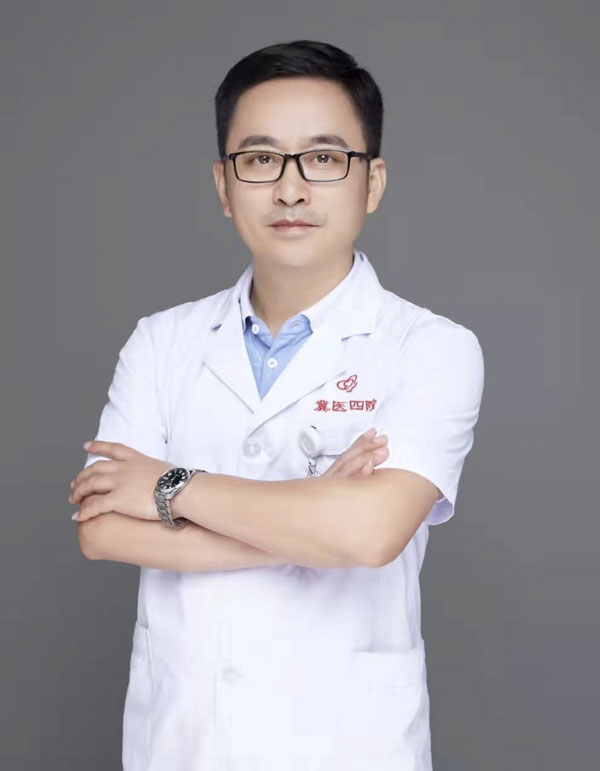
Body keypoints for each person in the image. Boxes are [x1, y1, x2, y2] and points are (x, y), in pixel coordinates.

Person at [69, 39, 485, 771]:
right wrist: (314, 518)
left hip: (346, 744)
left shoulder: (432, 347)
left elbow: (369, 535)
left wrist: (169, 486)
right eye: (260, 160)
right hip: (184, 742)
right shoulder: (162, 342)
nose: (291, 190)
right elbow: (102, 530)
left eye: (323, 158)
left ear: (372, 182)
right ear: (224, 185)